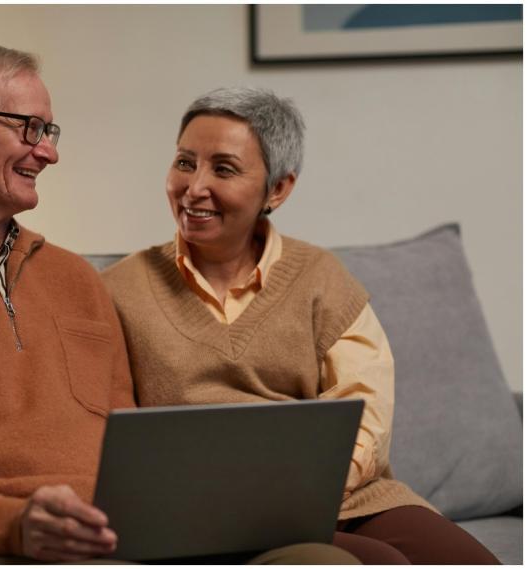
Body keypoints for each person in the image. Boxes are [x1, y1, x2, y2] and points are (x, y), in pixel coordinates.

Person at [0, 39, 359, 564]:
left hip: (126, 538)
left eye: (49, 131)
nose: (49, 152)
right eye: (30, 129)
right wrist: (16, 523)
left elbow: (132, 454)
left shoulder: (75, 278)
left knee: (325, 560)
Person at [101, 86, 501, 565]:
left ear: (278, 189)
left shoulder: (321, 277)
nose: (194, 186)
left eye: (223, 168)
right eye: (185, 162)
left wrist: (312, 488)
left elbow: (365, 409)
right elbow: (107, 432)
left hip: (348, 497)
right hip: (209, 515)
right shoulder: (118, 291)